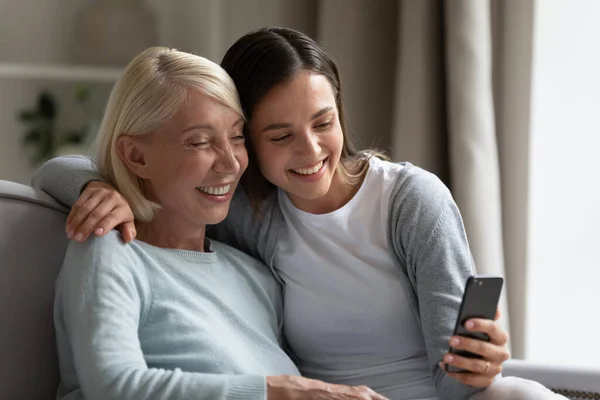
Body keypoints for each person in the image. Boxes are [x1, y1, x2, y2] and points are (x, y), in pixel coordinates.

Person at [34, 30, 565, 400]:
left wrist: (478, 360)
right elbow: (63, 167)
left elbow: (454, 384)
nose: (310, 152)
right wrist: (95, 187)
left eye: (323, 122)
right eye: (279, 135)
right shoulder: (224, 218)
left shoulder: (399, 205)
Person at [49, 45, 393, 400]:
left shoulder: (257, 275)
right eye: (200, 141)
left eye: (237, 136)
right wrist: (278, 391)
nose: (230, 164)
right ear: (136, 156)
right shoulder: (109, 249)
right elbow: (113, 388)